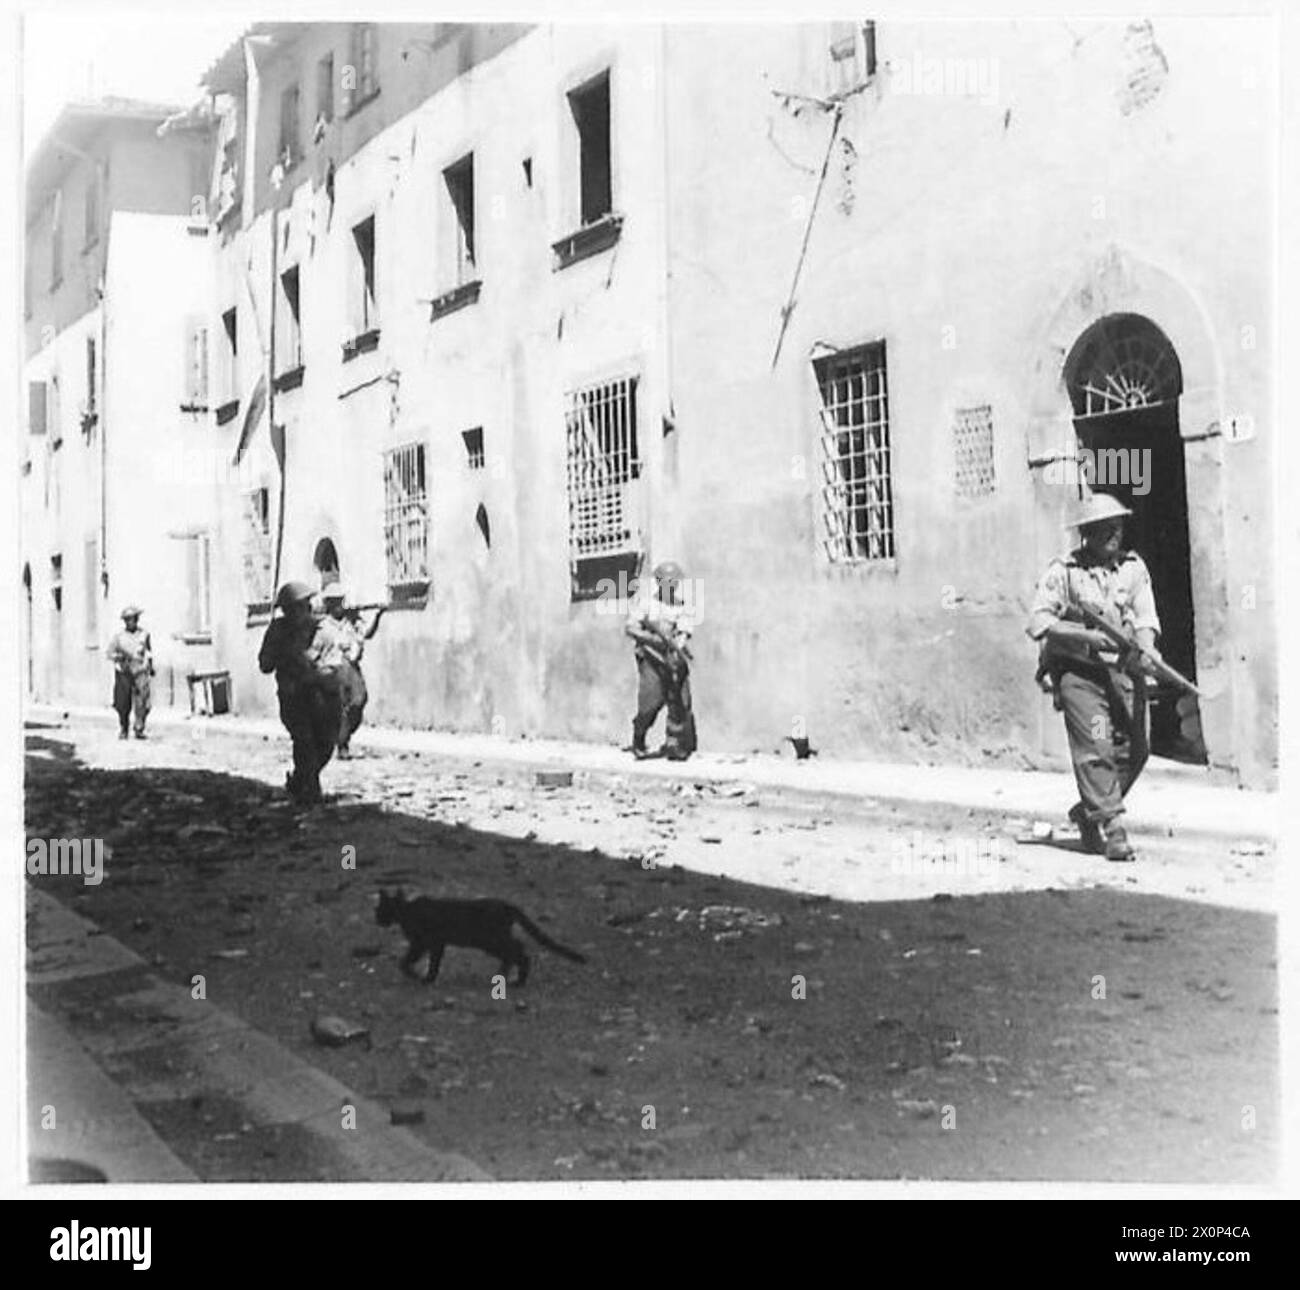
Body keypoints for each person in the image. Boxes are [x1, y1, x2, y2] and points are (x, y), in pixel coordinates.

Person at [1026, 493, 1162, 862]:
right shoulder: (1064, 572)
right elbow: (1038, 622)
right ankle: (1114, 828)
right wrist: (1084, 635)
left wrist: (1146, 646)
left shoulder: (1133, 568)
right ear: (1086, 533)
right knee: (1098, 741)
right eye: (1104, 530)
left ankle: (1089, 811)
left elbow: (1145, 617)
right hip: (1080, 675)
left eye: (1117, 528)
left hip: (1121, 671)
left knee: (1136, 748)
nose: (1113, 535)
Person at [257, 581, 342, 805]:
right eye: (288, 609)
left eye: (298, 607)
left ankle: (299, 780)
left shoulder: (325, 631)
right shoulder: (277, 631)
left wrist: (316, 675)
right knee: (304, 741)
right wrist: (281, 654)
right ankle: (311, 792)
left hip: (323, 698)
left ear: (308, 606)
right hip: (293, 698)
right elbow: (264, 664)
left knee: (325, 744)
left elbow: (335, 665)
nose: (294, 614)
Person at [625, 560, 697, 761]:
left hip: (672, 659)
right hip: (651, 658)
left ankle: (674, 744)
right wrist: (652, 639)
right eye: (667, 581)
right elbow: (630, 628)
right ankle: (639, 737)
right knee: (650, 702)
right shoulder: (646, 603)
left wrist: (677, 644)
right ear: (659, 582)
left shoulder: (682, 606)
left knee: (679, 702)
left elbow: (684, 632)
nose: (671, 585)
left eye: (674, 582)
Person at [318, 583, 385, 758]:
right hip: (333, 670)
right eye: (336, 602)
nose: (341, 605)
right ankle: (342, 744)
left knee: (358, 701)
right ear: (329, 605)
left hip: (351, 668)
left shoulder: (351, 622)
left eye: (341, 601)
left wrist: (377, 616)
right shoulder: (323, 626)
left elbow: (366, 634)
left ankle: (342, 737)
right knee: (339, 708)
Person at [107, 606, 153, 740]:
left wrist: (150, 665)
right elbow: (109, 653)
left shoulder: (144, 635)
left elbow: (148, 652)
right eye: (127, 620)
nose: (130, 622)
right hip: (124, 672)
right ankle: (123, 728)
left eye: (132, 619)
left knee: (142, 701)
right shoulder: (118, 637)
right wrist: (118, 657)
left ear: (137, 619)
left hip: (139, 671)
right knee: (122, 702)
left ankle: (139, 728)